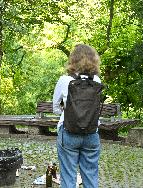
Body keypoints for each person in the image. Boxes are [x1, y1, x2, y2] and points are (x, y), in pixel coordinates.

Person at [53, 44, 102, 188]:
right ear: (94, 60)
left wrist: (68, 112)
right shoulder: (97, 81)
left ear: (73, 59)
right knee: (91, 176)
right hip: (92, 134)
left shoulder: (64, 80)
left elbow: (55, 108)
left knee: (68, 178)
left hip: (69, 132)